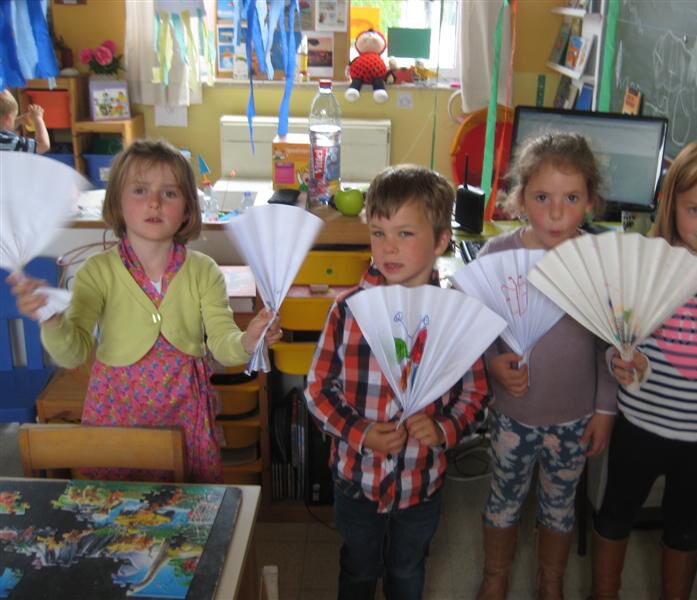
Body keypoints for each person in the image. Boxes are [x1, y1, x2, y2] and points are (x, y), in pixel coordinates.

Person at [9, 138, 281, 483]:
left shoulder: (204, 271)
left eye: (169, 193)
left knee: (185, 505)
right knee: (118, 508)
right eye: (140, 190)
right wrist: (50, 319)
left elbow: (223, 345)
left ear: (187, 209)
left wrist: (249, 340)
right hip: (116, 419)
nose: (154, 202)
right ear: (117, 202)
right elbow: (73, 352)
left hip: (186, 418)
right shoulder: (97, 272)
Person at [305, 165, 491, 600]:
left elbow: (476, 391)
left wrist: (444, 429)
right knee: (358, 569)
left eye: (405, 234)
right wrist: (361, 432)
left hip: (421, 483)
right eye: (379, 233)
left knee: (408, 572)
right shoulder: (347, 311)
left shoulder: (456, 315)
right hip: (357, 480)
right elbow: (317, 389)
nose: (388, 247)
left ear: (441, 241)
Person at [592, 137, 697, 600]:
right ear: (672, 205)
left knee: (685, 529)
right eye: (695, 209)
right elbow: (618, 339)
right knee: (615, 514)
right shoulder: (646, 268)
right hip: (640, 426)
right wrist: (622, 362)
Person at [476, 133, 618, 600]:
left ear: (590, 201)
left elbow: (610, 345)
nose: (556, 213)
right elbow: (472, 328)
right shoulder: (497, 256)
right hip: (512, 414)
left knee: (559, 506)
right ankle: (496, 576)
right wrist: (492, 364)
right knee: (504, 499)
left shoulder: (600, 262)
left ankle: (550, 580)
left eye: (571, 198)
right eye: (542, 198)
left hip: (575, 417)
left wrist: (605, 410)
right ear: (520, 200)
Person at [0, 89, 50, 153]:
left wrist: (18, 120)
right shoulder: (10, 142)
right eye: (14, 117)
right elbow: (43, 145)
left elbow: (3, 128)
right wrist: (38, 117)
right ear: (8, 118)